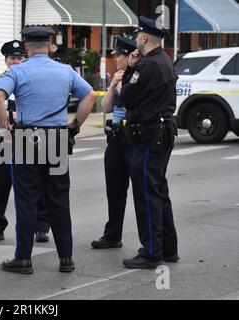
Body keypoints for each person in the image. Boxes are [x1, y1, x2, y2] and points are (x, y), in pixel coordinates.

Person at [0, 26, 97, 274]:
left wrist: (4, 127)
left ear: (26, 47)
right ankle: (66, 259)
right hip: (57, 139)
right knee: (58, 200)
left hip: (27, 138)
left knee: (27, 200)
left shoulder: (17, 71)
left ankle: (24, 258)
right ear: (49, 45)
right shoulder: (66, 71)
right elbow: (90, 96)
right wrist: (74, 126)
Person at [119, 16, 179, 269]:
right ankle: (168, 248)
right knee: (158, 192)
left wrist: (130, 69)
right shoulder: (165, 61)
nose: (135, 41)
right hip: (162, 134)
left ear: (144, 38)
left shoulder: (147, 65)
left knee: (146, 195)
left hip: (149, 136)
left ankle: (152, 251)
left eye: (136, 36)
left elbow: (127, 98)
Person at [0, 40, 50, 244]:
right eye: (13, 58)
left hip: (31, 137)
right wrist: (9, 117)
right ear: (6, 60)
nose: (17, 62)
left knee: (37, 182)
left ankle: (41, 226)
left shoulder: (36, 80)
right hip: (2, 139)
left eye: (21, 58)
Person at [92, 37, 137, 250]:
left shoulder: (138, 76)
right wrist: (112, 85)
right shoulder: (118, 78)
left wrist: (120, 84)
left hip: (134, 139)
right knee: (114, 190)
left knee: (141, 191)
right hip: (116, 139)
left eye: (118, 55)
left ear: (129, 56)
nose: (115, 59)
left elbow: (129, 102)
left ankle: (151, 242)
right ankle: (112, 234)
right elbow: (106, 108)